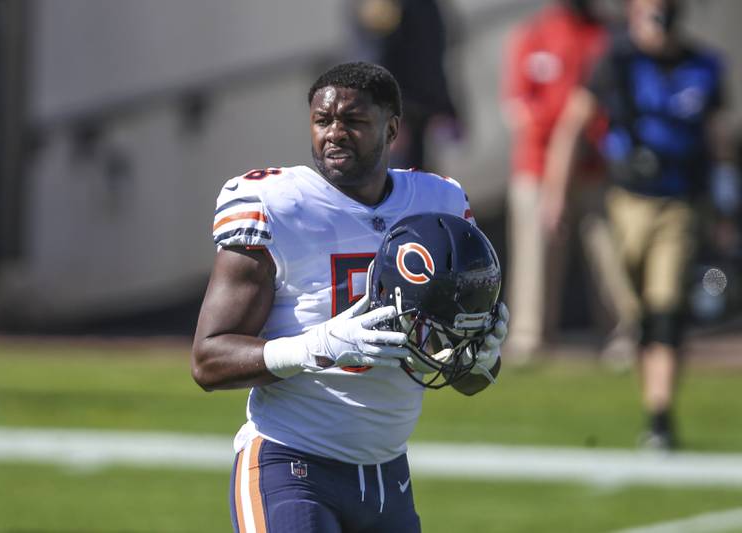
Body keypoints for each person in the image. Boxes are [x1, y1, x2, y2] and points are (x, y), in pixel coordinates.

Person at [191, 62, 509, 532]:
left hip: (389, 478)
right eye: (323, 121)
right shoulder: (276, 204)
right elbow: (208, 359)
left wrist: (479, 358)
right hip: (292, 465)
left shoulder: (438, 203)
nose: (335, 133)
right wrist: (317, 347)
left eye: (353, 121)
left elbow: (466, 380)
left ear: (393, 128)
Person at [542, 0, 739, 449]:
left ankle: (661, 417)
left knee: (665, 302)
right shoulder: (616, 61)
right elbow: (574, 123)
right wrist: (556, 194)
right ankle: (654, 406)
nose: (659, 24)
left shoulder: (703, 65)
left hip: (681, 202)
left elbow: (718, 137)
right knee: (638, 314)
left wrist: (726, 202)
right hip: (627, 202)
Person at [501, 0, 638, 363]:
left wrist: (588, 137)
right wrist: (556, 135)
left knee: (607, 250)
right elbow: (517, 105)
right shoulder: (533, 34)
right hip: (536, 165)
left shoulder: (606, 34)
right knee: (536, 250)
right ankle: (531, 337)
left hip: (594, 166)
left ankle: (623, 332)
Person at [350, 0, 460, 170]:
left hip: (425, 112)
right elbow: (374, 62)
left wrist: (444, 107)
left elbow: (432, 57)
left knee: (425, 186)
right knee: (398, 184)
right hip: (399, 118)